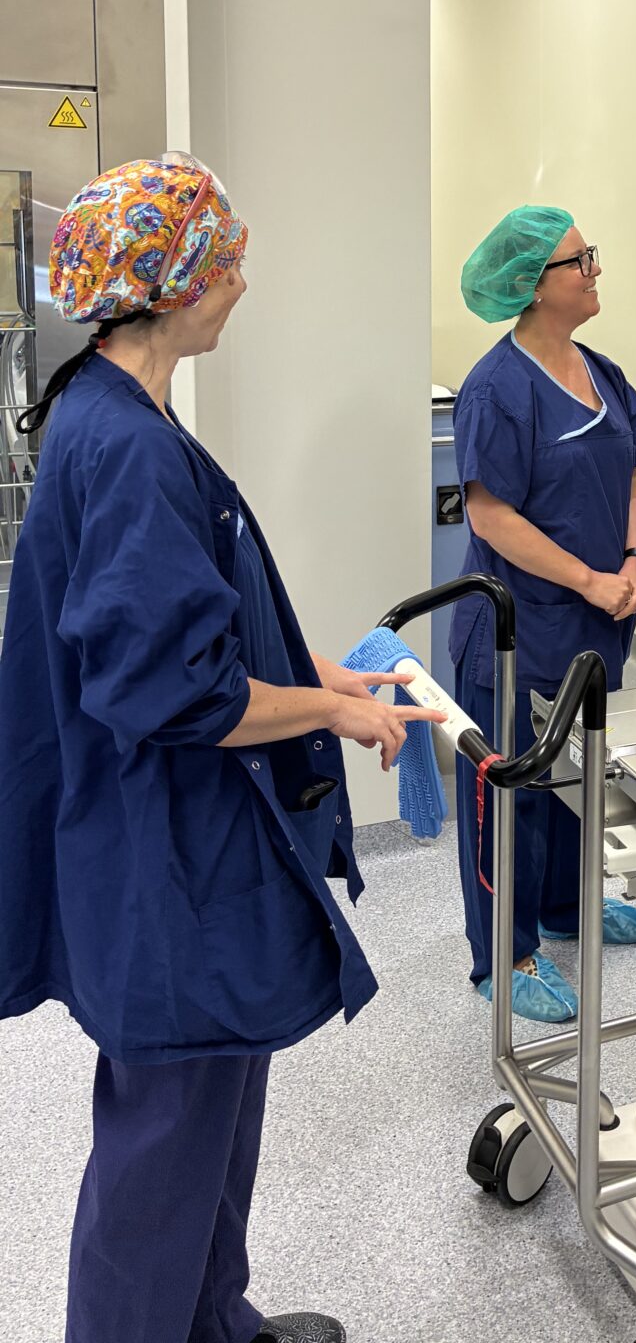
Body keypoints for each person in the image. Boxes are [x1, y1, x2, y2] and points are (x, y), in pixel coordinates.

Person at [0, 155, 447, 1343]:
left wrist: (315, 676)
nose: (243, 273)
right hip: (164, 853)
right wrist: (333, 714)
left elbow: (187, 632)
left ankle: (212, 1322)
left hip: (181, 838)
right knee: (162, 1148)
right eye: (227, 254)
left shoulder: (116, 411)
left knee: (214, 1109)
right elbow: (170, 689)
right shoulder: (130, 449)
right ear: (176, 284)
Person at [449, 206, 636, 1023]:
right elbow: (492, 517)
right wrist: (589, 579)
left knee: (579, 779)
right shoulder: (496, 390)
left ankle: (572, 906)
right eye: (580, 261)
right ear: (532, 288)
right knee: (514, 794)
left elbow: (632, 473)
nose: (594, 271)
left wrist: (632, 562)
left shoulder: (598, 369)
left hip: (595, 624)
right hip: (519, 628)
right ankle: (504, 954)